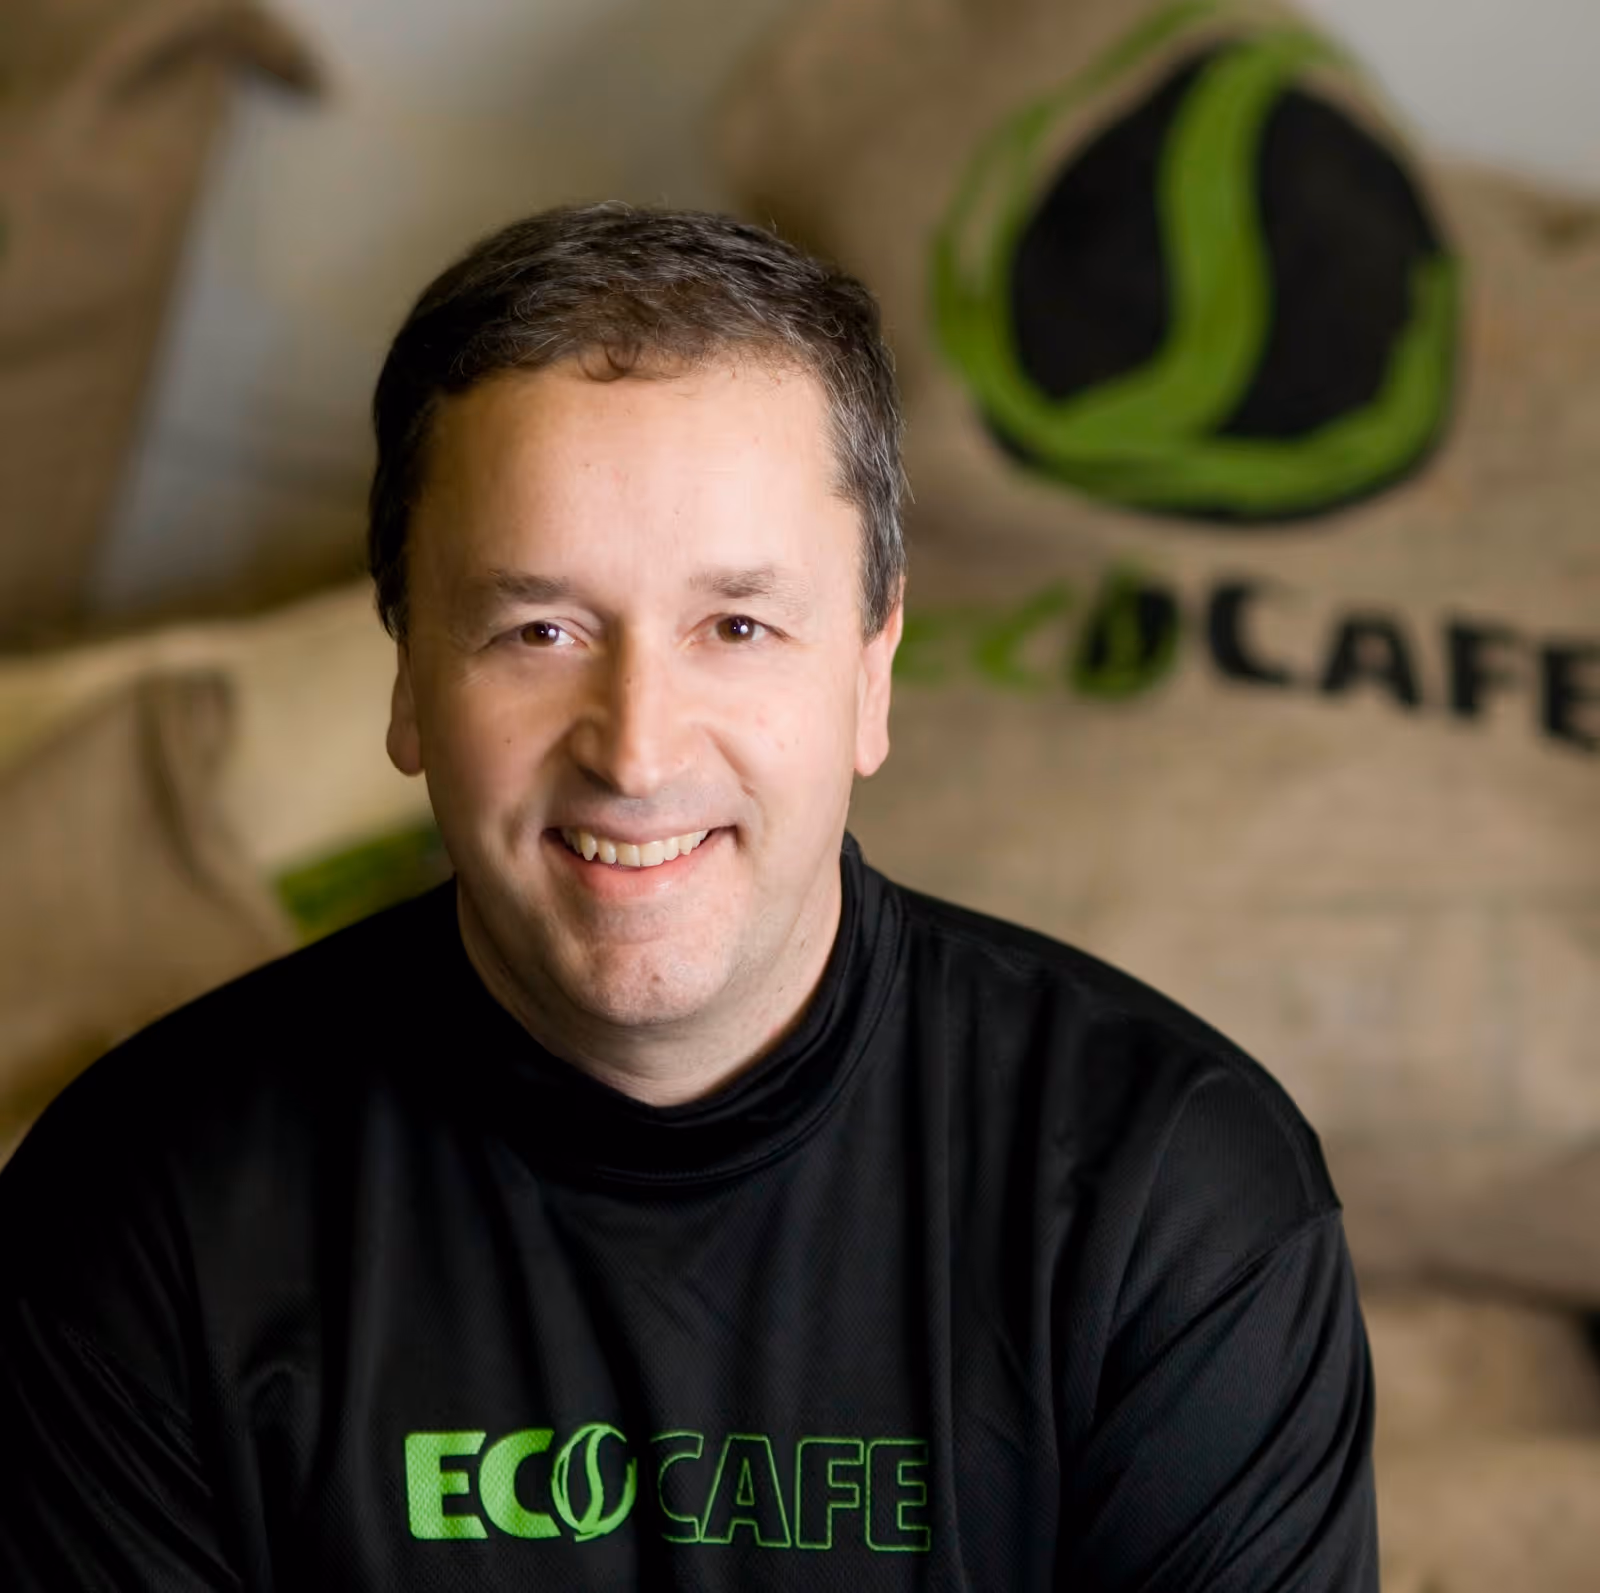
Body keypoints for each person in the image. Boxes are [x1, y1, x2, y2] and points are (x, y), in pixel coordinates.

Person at [0, 204, 1377, 1589]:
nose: (637, 752)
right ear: (409, 677)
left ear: (871, 672)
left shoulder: (1169, 1197)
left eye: (737, 626)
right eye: (541, 629)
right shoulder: (143, 1208)